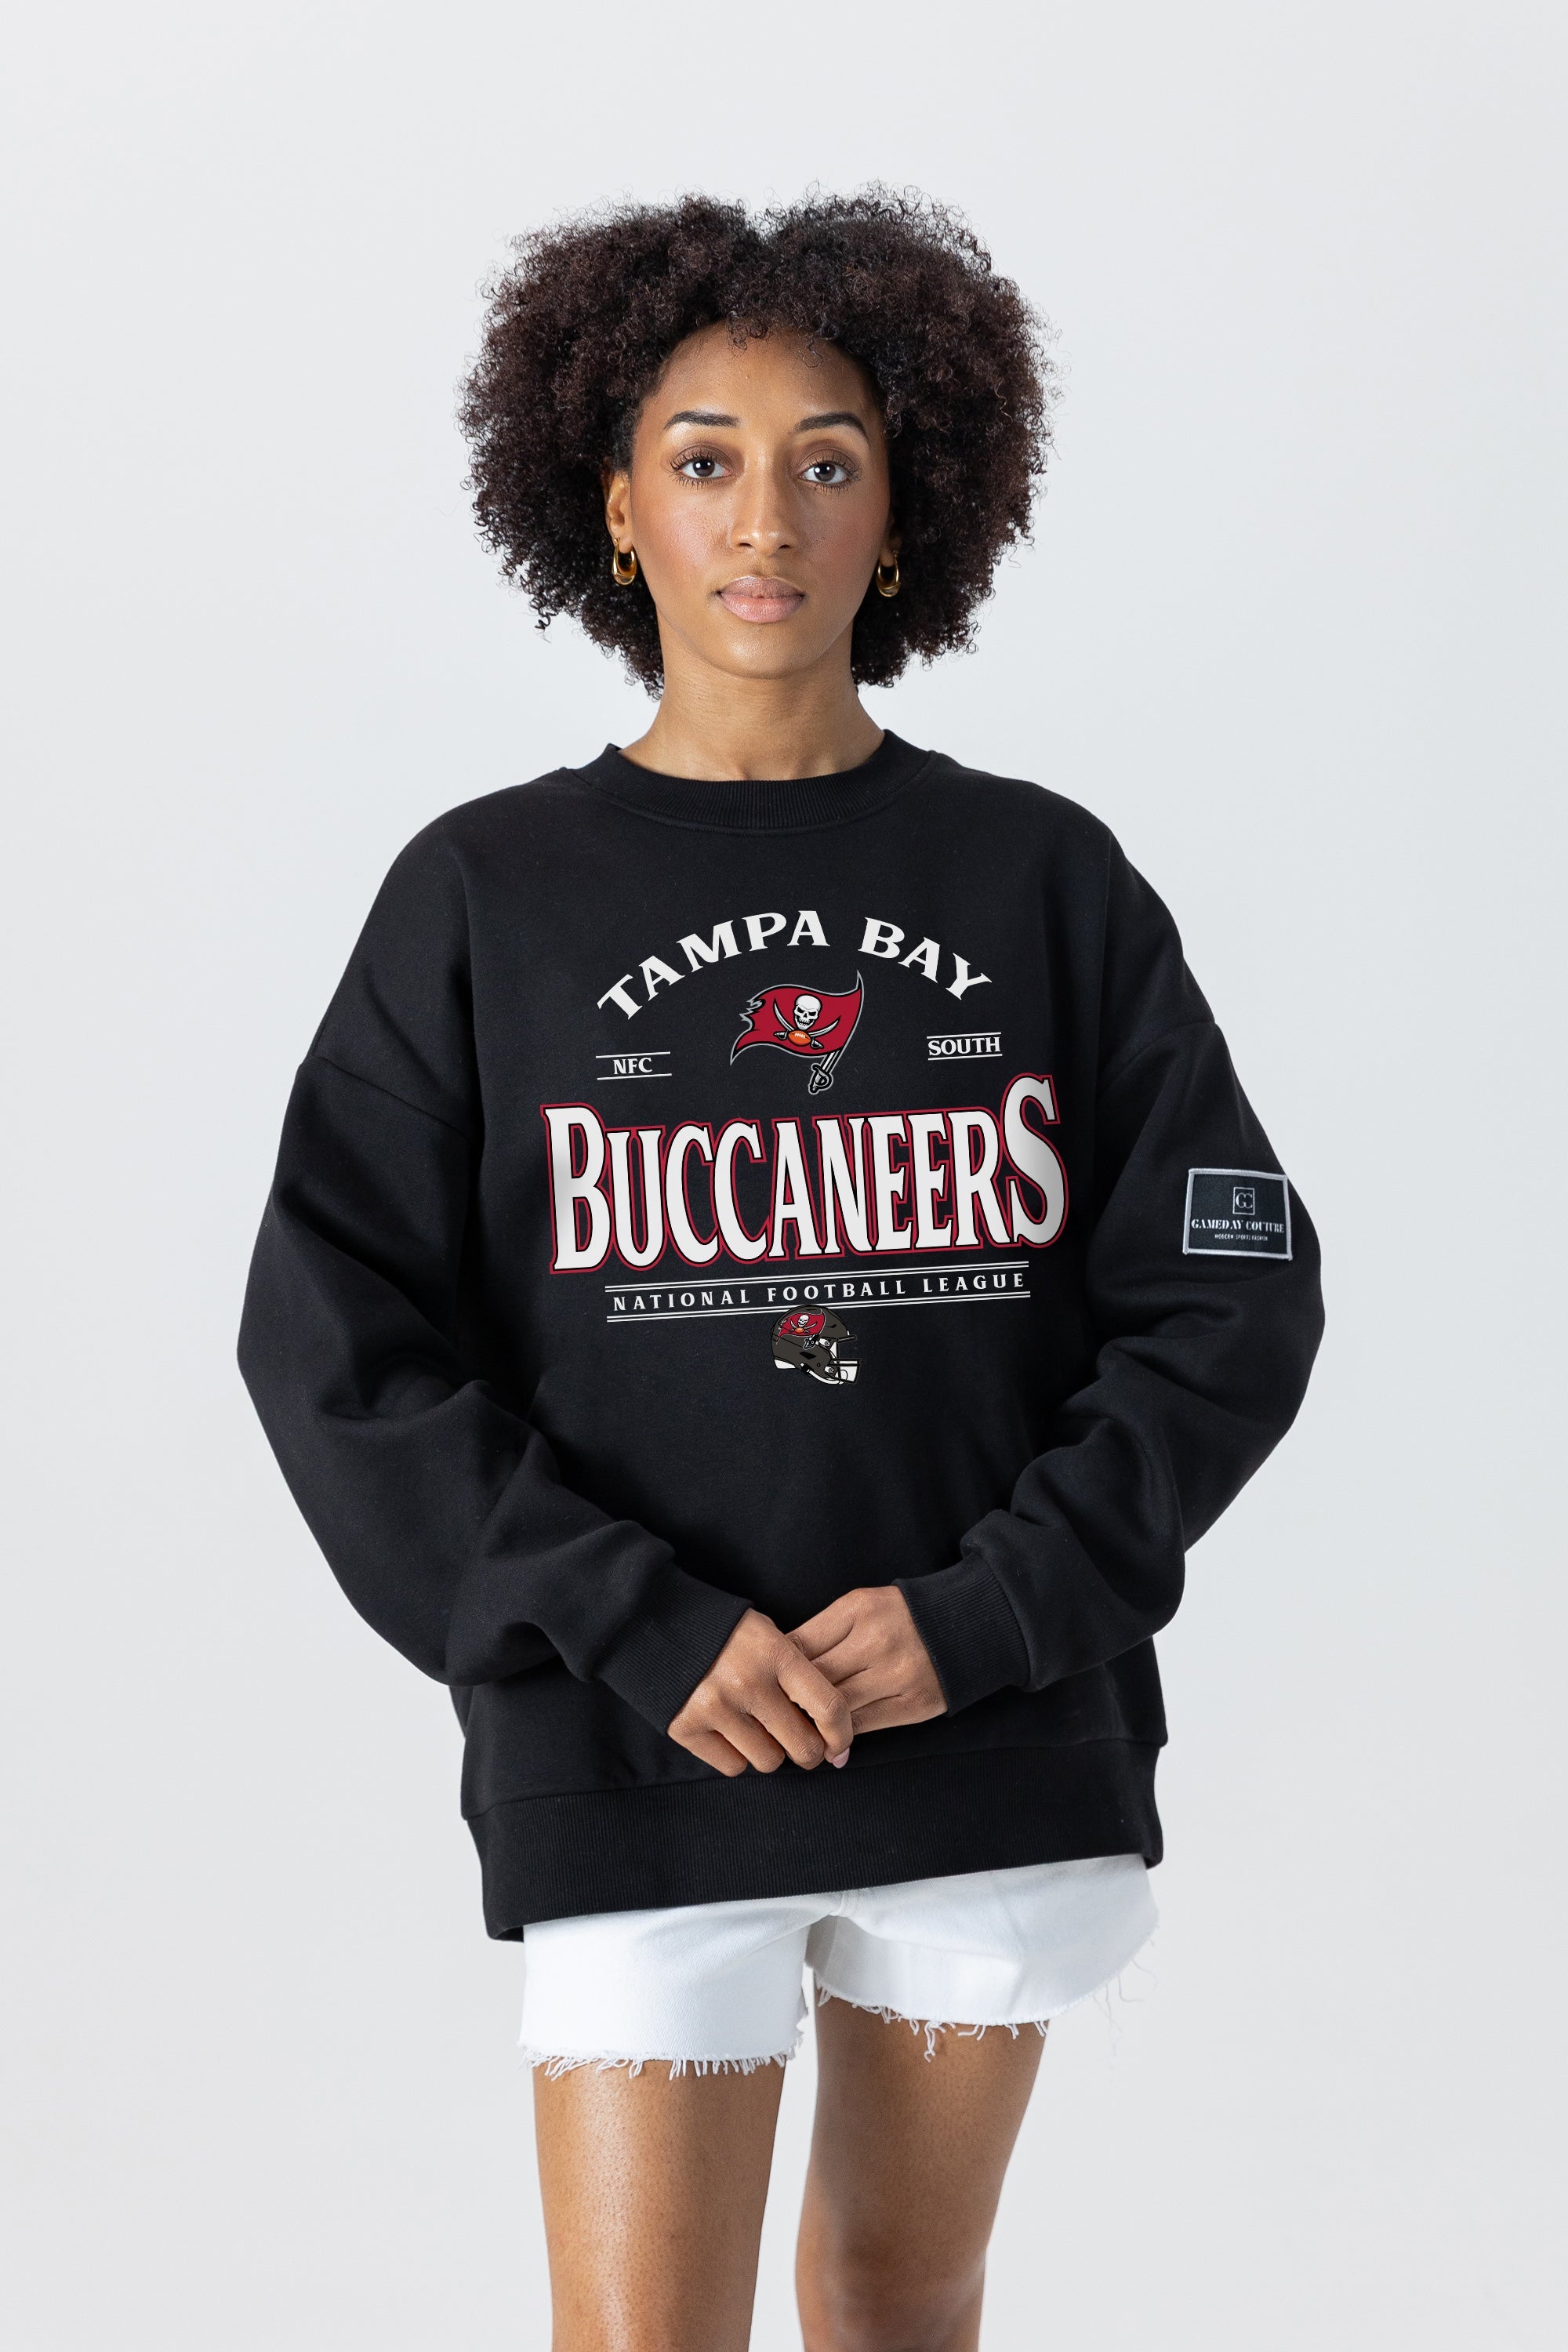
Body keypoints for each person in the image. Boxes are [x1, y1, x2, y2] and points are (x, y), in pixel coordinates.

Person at [238, 189, 1324, 2352]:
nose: (766, 518)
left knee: (903, 2300)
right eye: (704, 458)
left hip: (990, 1732)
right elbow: (334, 1339)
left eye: (830, 459)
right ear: (612, 508)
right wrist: (632, 1622)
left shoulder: (1044, 877)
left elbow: (1234, 1288)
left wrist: (989, 1614)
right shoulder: (484, 895)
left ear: (907, 512)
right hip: (638, 1737)